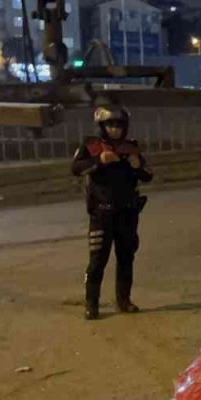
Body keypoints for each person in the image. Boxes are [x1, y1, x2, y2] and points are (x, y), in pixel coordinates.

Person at [71, 106, 152, 320]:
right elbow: (76, 168)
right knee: (98, 260)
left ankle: (123, 300)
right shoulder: (91, 146)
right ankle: (92, 304)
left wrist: (137, 166)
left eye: (118, 126)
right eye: (110, 126)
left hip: (127, 213)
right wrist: (99, 161)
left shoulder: (130, 147)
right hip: (101, 213)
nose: (115, 130)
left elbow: (148, 175)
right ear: (102, 127)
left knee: (126, 257)